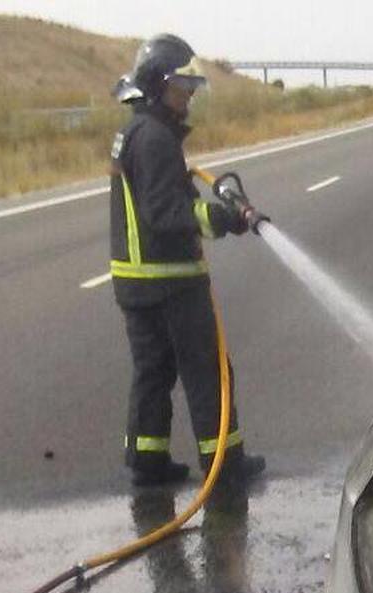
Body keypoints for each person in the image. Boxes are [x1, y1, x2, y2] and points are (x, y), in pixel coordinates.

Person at [108, 34, 265, 487]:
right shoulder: (155, 138)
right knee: (207, 369)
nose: (190, 93)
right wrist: (221, 218)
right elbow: (165, 212)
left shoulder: (133, 132)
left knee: (153, 370)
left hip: (135, 282)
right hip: (171, 280)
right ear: (159, 84)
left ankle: (147, 460)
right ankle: (225, 466)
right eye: (182, 85)